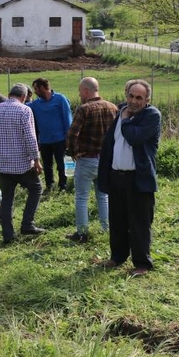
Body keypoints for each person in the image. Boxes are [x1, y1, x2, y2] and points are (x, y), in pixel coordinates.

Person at [98, 79, 161, 277]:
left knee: (140, 222)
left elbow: (134, 137)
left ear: (147, 99)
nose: (134, 101)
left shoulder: (151, 115)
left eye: (139, 98)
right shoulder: (120, 112)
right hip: (117, 176)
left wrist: (125, 119)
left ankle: (142, 263)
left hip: (138, 178)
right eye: (131, 96)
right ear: (126, 95)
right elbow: (110, 143)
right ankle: (117, 257)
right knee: (117, 220)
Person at [0, 83, 44, 245]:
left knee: (7, 198)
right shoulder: (25, 110)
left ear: (10, 94)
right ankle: (27, 224)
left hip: (2, 164)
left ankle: (8, 235)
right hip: (22, 164)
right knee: (36, 188)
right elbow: (31, 138)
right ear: (23, 97)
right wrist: (36, 160)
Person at [65, 77, 119, 243]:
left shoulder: (84, 109)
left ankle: (82, 232)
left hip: (87, 159)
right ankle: (106, 229)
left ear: (86, 91)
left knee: (81, 197)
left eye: (80, 91)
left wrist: (72, 152)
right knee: (103, 196)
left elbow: (72, 133)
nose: (79, 94)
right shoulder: (113, 108)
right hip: (106, 160)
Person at [28, 78, 73, 192]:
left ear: (42, 88)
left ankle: (63, 186)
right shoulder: (36, 104)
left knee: (61, 164)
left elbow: (67, 118)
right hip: (44, 140)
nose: (35, 92)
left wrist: (69, 137)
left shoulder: (60, 99)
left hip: (60, 139)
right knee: (47, 165)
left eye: (36, 89)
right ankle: (50, 186)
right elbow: (24, 107)